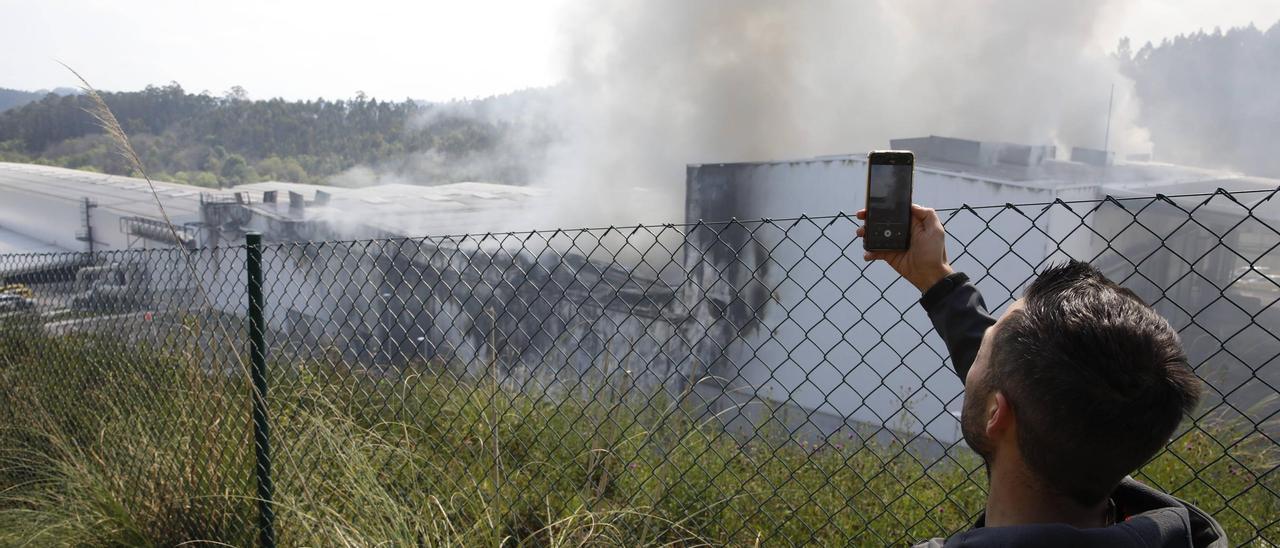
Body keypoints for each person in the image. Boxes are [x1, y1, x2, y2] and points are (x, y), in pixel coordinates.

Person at [856, 204, 1227, 547]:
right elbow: (1030, 379)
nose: (979, 347)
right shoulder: (1169, 527)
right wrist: (937, 279)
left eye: (987, 343)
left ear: (995, 415)